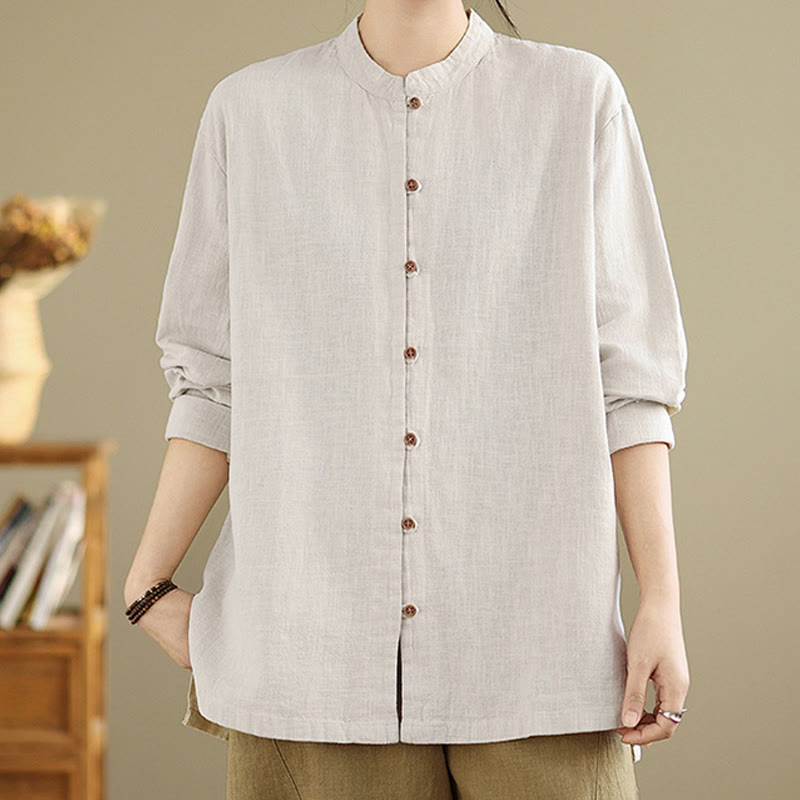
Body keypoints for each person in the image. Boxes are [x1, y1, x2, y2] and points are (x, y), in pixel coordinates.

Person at [124, 1, 690, 797]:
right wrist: (147, 584)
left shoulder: (578, 98)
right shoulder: (249, 113)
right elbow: (214, 380)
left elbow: (629, 383)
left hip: (539, 653)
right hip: (308, 665)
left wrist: (660, 599)